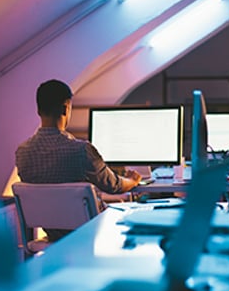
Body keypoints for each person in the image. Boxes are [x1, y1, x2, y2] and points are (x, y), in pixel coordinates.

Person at [15, 79, 142, 241]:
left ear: (38, 110)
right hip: (92, 232)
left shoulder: (22, 153)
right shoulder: (82, 150)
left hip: (53, 236)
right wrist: (132, 180)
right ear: (65, 108)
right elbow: (114, 186)